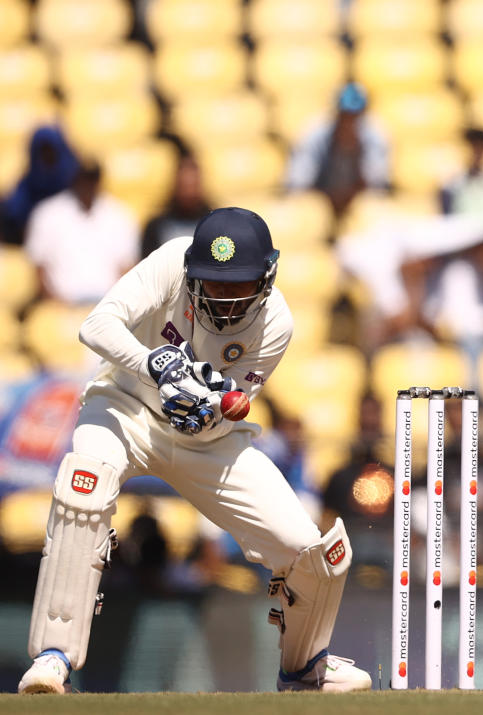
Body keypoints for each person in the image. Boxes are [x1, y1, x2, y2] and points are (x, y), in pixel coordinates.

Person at [17, 207, 371, 694]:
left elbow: (226, 410)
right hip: (124, 406)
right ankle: (53, 659)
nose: (223, 300)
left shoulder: (276, 324)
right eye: (212, 284)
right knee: (84, 487)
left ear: (266, 278)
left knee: (309, 549)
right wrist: (154, 367)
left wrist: (202, 414)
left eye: (236, 286)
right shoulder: (170, 262)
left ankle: (306, 668)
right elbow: (96, 327)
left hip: (205, 439)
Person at [23, 159, 139, 305]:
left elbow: (127, 269)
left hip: (107, 306)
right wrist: (56, 304)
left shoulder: (120, 214)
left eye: (92, 178)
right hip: (62, 307)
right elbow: (38, 268)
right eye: (83, 178)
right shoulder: (47, 213)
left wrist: (112, 307)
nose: (87, 185)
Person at [285, 82, 390, 230]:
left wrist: (355, 151)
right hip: (321, 200)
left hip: (356, 202)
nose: (349, 123)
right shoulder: (313, 133)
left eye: (355, 117)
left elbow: (376, 187)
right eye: (344, 116)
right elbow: (298, 186)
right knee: (306, 211)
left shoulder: (375, 134)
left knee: (372, 209)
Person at [0, 125, 78, 246]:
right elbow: (14, 217)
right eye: (42, 152)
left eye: (50, 152)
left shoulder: (75, 186)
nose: (46, 157)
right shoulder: (27, 187)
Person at [140, 152, 212, 260]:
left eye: (193, 186)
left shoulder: (215, 224)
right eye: (184, 187)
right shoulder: (156, 226)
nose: (189, 193)